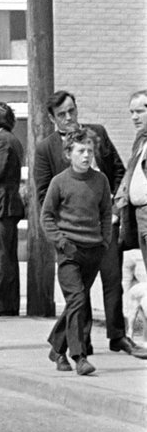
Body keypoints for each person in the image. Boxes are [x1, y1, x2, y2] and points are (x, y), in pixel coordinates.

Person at [31, 90, 140, 358]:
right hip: (72, 232)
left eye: (72, 110)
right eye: (61, 115)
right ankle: (82, 340)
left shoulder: (97, 133)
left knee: (113, 280)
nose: (69, 118)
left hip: (106, 222)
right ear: (52, 118)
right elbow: (44, 194)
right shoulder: (47, 148)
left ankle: (118, 336)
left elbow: (117, 169)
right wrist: (61, 230)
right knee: (81, 288)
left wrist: (115, 205)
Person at [41, 130, 114, 376]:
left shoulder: (100, 180)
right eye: (80, 151)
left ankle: (57, 347)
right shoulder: (59, 181)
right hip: (69, 251)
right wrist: (61, 242)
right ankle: (79, 356)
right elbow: (47, 217)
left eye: (90, 151)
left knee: (77, 302)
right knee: (78, 301)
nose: (86, 156)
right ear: (68, 154)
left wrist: (105, 240)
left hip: (93, 249)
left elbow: (106, 212)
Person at [0, 102, 26, 316]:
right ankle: (8, 303)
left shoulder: (1, 140)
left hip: (1, 203)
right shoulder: (12, 138)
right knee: (8, 257)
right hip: (9, 203)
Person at [118, 89, 147, 259]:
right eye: (131, 112)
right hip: (138, 217)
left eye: (139, 112)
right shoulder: (140, 141)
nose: (134, 117)